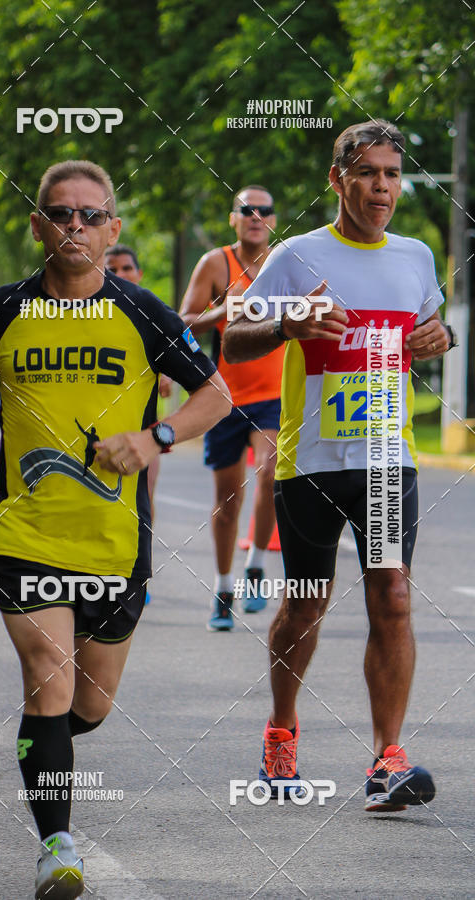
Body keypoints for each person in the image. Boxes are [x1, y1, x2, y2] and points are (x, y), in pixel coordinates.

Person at [0, 160, 231, 898]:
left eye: (90, 216)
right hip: (27, 534)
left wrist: (156, 440)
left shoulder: (144, 313)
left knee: (90, 705)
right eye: (60, 213)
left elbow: (217, 392)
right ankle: (57, 845)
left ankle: (39, 746)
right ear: (37, 224)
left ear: (112, 228)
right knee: (46, 677)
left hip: (118, 544)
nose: (75, 227)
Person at [223, 120, 454, 812]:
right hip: (312, 465)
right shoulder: (296, 255)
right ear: (338, 181)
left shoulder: (414, 257)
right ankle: (282, 733)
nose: (381, 186)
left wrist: (440, 338)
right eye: (367, 174)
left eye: (392, 174)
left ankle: (387, 759)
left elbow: (432, 331)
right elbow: (234, 340)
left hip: (387, 461)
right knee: (305, 604)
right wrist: (287, 326)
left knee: (394, 595)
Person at [180, 187, 285, 630]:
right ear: (233, 219)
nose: (256, 216)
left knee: (270, 472)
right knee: (227, 500)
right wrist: (222, 309)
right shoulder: (215, 263)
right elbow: (181, 322)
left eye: (264, 210)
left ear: (274, 220)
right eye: (247, 210)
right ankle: (224, 587)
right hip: (225, 396)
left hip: (275, 394)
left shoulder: (287, 261)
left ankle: (257, 567)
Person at [106, 243, 173, 604]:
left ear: (139, 273)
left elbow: (173, 355)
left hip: (145, 427)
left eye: (127, 268)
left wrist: (165, 377)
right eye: (112, 269)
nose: (120, 275)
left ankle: (136, 570)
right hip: (97, 424)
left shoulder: (149, 310)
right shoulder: (90, 311)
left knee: (142, 494)